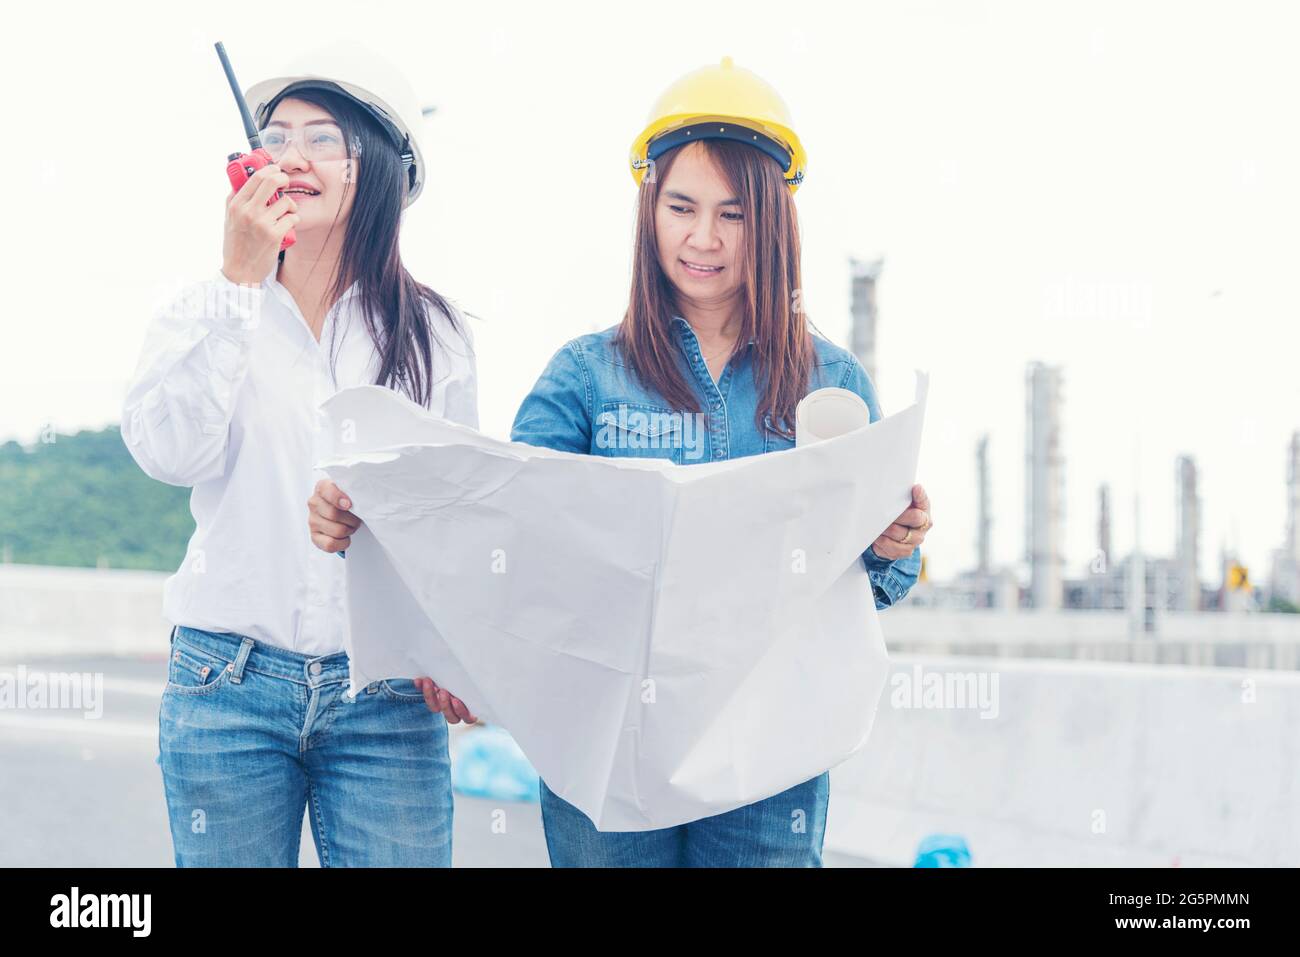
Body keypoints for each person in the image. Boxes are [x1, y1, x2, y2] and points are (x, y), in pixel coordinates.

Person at [308, 57, 932, 867]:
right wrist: (373, 516)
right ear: (649, 210)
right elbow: (500, 534)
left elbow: (873, 584)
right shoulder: (584, 375)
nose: (702, 238)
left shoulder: (831, 382)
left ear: (774, 222)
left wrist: (893, 543)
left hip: (767, 762)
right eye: (680, 207)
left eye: (733, 214)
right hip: (601, 752)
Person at [121, 44, 476, 867]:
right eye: (276, 136)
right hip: (225, 687)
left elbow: (456, 516)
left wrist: (448, 644)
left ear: (381, 169)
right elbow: (169, 453)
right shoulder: (202, 305)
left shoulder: (438, 335)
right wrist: (237, 286)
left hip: (385, 696)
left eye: (324, 139)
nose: (292, 156)